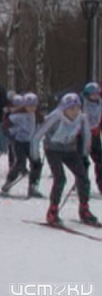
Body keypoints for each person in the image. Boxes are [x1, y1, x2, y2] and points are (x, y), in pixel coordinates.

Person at [31, 93, 97, 225]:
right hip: (52, 149)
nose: (75, 112)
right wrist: (35, 158)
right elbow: (37, 136)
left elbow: (87, 136)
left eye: (77, 108)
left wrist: (84, 155)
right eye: (71, 109)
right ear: (63, 108)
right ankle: (53, 210)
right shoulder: (55, 117)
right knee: (60, 178)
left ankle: (84, 209)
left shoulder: (82, 118)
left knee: (83, 177)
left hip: (69, 150)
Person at [1, 93, 43, 198]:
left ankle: (33, 185)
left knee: (36, 162)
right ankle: (9, 181)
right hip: (19, 141)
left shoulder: (37, 115)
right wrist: (11, 133)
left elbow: (44, 123)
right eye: (29, 106)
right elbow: (5, 126)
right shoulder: (17, 115)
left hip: (32, 143)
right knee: (20, 162)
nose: (31, 108)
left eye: (34, 106)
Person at [81, 82, 102, 194]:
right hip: (83, 136)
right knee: (83, 161)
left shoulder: (100, 104)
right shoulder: (82, 104)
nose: (95, 96)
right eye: (92, 94)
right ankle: (82, 183)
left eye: (97, 94)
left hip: (95, 135)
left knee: (99, 161)